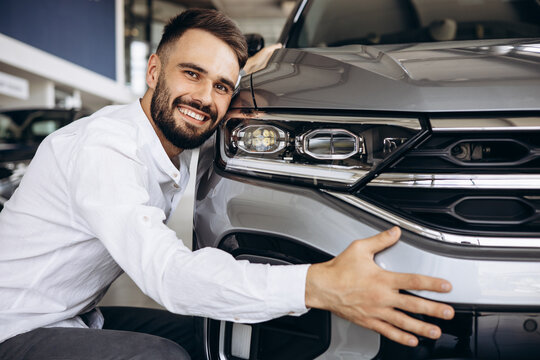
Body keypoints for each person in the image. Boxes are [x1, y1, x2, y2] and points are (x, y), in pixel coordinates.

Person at [0, 9, 454, 360]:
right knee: (160, 356)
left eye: (222, 86)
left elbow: (203, 115)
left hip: (73, 317)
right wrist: (318, 285)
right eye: (192, 73)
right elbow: (169, 277)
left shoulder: (173, 140)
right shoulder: (105, 148)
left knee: (213, 338)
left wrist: (257, 83)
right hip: (15, 327)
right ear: (154, 71)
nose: (204, 97)